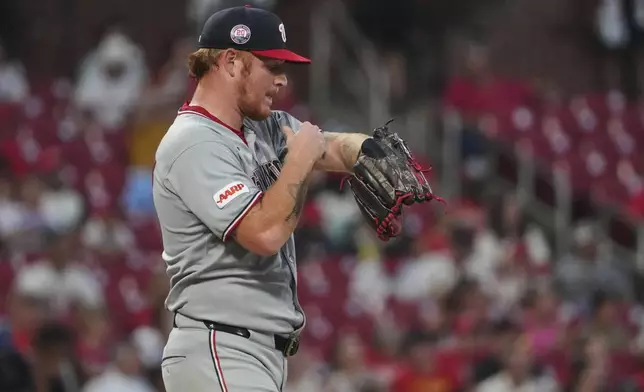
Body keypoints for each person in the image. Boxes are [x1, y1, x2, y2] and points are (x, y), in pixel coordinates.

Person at [152, 6, 371, 392]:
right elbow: (265, 233)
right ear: (232, 61)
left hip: (254, 354)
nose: (282, 80)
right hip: (220, 348)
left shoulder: (261, 127)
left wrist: (370, 151)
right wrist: (300, 161)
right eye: (271, 66)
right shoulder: (194, 142)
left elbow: (333, 146)